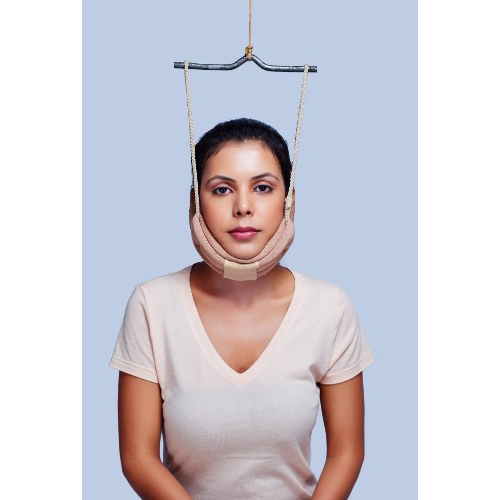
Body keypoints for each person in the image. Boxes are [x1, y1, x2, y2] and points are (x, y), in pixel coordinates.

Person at [109, 118, 375, 499]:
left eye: (263, 188)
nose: (243, 207)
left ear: (289, 200)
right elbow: (137, 457)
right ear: (195, 203)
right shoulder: (152, 305)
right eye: (222, 189)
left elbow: (347, 454)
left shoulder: (331, 308)